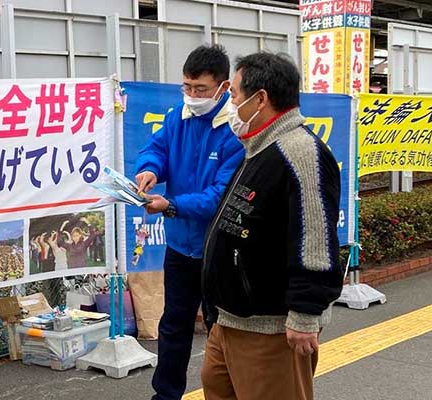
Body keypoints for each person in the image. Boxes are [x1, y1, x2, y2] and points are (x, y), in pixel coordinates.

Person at [201, 52, 343, 400]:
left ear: (259, 98)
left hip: (271, 330)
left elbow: (315, 238)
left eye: (233, 94)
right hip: (230, 322)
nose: (229, 103)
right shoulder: (258, 148)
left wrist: (306, 314)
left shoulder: (300, 152)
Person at [135, 44, 245, 400]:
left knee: (221, 329)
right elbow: (157, 149)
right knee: (173, 326)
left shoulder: (236, 131)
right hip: (180, 245)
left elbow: (219, 196)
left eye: (200, 89)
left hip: (219, 248)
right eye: (186, 86)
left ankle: (226, 394)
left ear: (224, 88)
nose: (192, 95)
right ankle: (165, 396)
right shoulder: (177, 115)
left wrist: (170, 205)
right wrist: (150, 170)